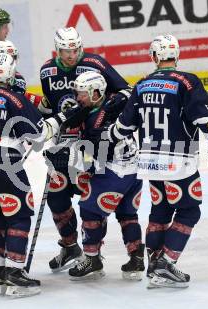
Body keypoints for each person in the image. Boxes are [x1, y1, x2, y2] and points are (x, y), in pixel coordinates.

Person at [0, 53, 86, 296]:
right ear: (11, 74)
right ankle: (15, 273)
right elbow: (38, 134)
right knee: (19, 216)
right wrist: (63, 117)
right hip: (8, 166)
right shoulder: (13, 98)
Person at [108, 34, 208, 288]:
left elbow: (124, 126)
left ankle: (154, 262)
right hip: (179, 161)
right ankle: (166, 263)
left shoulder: (141, 85)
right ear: (177, 55)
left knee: (161, 210)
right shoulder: (187, 82)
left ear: (153, 57)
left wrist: (107, 135)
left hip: (150, 162)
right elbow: (203, 120)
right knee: (188, 210)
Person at [39, 26, 133, 273]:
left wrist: (106, 110)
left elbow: (126, 91)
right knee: (56, 193)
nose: (71, 55)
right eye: (65, 51)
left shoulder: (95, 63)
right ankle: (70, 247)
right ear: (56, 50)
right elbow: (49, 107)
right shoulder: (47, 71)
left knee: (90, 196)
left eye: (75, 50)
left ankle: (94, 254)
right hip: (63, 141)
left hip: (93, 139)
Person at [61, 71, 144, 281]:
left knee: (89, 210)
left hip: (116, 171)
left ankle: (92, 259)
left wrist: (68, 156)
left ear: (96, 92)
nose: (77, 98)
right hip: (133, 171)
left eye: (82, 94)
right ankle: (136, 258)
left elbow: (99, 151)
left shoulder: (105, 117)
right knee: (127, 214)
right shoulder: (107, 105)